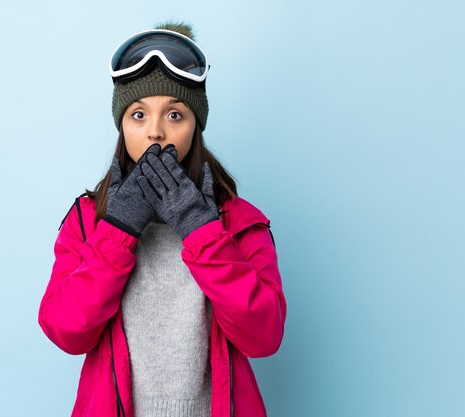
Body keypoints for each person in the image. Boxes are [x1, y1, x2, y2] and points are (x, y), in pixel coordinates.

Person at [38, 21, 287, 417]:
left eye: (175, 114)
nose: (155, 132)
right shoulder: (87, 220)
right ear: (121, 123)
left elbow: (264, 336)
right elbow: (67, 331)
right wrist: (117, 230)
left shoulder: (240, 222)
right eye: (138, 114)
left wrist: (200, 228)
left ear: (196, 124)